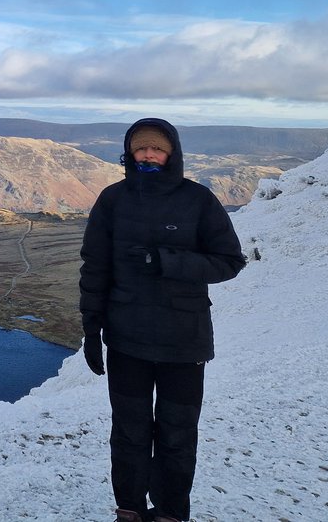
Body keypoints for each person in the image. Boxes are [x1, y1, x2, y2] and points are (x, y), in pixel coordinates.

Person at [79, 118, 246, 522]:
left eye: (157, 148)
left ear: (171, 153)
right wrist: (91, 327)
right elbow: (95, 266)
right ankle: (130, 511)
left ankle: (171, 513)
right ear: (129, 152)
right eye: (141, 148)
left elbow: (229, 261)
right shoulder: (113, 200)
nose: (149, 155)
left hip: (183, 342)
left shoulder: (198, 200)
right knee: (129, 434)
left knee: (176, 434)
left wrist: (165, 261)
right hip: (127, 340)